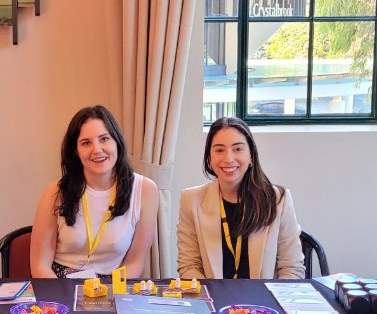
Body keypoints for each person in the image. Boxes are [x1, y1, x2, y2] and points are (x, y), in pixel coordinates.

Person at [30, 105, 158, 278]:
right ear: (76, 151)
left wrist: (104, 297)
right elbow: (40, 266)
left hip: (113, 284)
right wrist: (64, 301)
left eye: (104, 139)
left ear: (117, 142)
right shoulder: (55, 192)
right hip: (59, 283)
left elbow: (135, 263)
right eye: (86, 143)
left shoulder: (145, 190)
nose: (97, 150)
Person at [177, 117, 303, 279]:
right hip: (215, 300)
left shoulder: (278, 200)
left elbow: (292, 268)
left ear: (251, 156)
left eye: (238, 149)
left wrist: (267, 302)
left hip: (263, 301)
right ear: (209, 158)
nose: (228, 158)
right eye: (219, 150)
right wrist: (212, 299)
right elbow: (189, 266)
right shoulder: (191, 199)